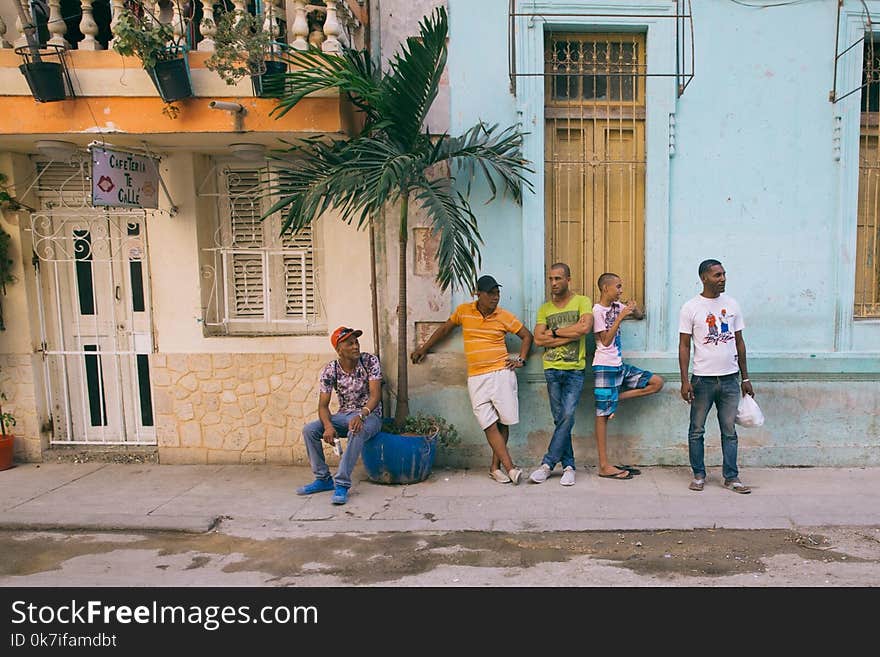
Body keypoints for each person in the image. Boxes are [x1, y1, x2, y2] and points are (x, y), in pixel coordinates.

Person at [411, 275, 533, 485]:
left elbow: (527, 336)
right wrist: (424, 348)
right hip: (476, 377)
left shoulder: (503, 316)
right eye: (491, 293)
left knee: (504, 423)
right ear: (478, 294)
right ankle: (510, 468)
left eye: (498, 293)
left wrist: (520, 359)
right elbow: (444, 329)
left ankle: (498, 468)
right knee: (488, 423)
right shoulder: (464, 311)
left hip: (501, 374)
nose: (495, 297)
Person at [679, 259, 753, 494]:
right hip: (702, 380)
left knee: (729, 430)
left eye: (723, 274)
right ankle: (699, 475)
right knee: (697, 429)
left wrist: (745, 377)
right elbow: (684, 346)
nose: (722, 279)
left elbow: (739, 342)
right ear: (704, 278)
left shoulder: (732, 305)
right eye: (717, 275)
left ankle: (731, 477)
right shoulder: (691, 307)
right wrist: (684, 380)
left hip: (730, 379)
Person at [296, 326, 383, 505]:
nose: (355, 346)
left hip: (370, 416)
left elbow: (376, 396)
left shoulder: (369, 361)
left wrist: (362, 415)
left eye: (356, 342)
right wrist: (328, 426)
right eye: (350, 344)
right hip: (343, 416)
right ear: (339, 350)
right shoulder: (331, 370)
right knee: (310, 430)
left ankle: (342, 484)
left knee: (356, 430)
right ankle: (323, 479)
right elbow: (322, 406)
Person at [592, 273, 664, 480]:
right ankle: (604, 465)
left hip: (619, 365)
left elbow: (639, 316)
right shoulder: (597, 311)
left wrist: (632, 308)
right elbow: (604, 341)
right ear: (606, 288)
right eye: (618, 286)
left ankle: (616, 398)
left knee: (656, 383)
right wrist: (621, 317)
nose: (621, 290)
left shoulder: (617, 306)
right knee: (602, 416)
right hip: (604, 366)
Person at [529, 263, 593, 486]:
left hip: (575, 368)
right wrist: (570, 334)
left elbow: (584, 329)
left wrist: (554, 332)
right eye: (550, 279)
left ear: (568, 279)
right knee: (560, 419)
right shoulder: (544, 308)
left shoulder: (582, 301)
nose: (554, 283)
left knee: (567, 416)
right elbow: (538, 339)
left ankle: (547, 464)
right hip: (552, 369)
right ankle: (568, 466)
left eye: (558, 278)